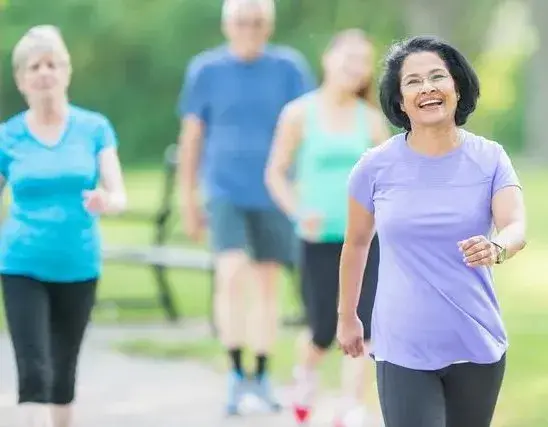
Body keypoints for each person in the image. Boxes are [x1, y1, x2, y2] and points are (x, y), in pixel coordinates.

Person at [337, 35, 527, 427]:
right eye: (413, 81)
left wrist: (496, 248)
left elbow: (515, 226)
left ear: (457, 86)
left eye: (437, 76)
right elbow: (356, 244)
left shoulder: (490, 158)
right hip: (402, 345)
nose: (427, 88)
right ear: (400, 100)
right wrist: (347, 316)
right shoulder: (374, 167)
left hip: (476, 342)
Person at [177, 0, 315, 415]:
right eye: (241, 21)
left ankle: (262, 372)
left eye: (257, 21)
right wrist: (188, 198)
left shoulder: (290, 68)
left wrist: (304, 187)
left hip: (274, 190)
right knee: (232, 273)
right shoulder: (206, 70)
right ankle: (236, 375)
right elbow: (192, 138)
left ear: (268, 25)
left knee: (267, 284)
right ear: (227, 24)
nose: (249, 28)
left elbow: (309, 128)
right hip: (224, 190)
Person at [0, 26, 127, 427]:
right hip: (21, 262)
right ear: (21, 80)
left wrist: (107, 201)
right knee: (34, 368)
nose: (44, 72)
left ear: (66, 72)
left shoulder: (94, 128)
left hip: (79, 263)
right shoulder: (8, 136)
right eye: (34, 66)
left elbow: (118, 192)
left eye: (52, 63)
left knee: (63, 370)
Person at [266, 29, 390, 426]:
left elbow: (389, 177)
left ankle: (350, 407)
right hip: (318, 238)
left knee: (365, 324)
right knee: (322, 329)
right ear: (328, 57)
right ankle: (304, 379)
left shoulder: (370, 120)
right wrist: (298, 211)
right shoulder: (299, 113)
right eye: (347, 58)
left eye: (362, 63)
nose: (353, 68)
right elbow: (276, 173)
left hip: (366, 238)